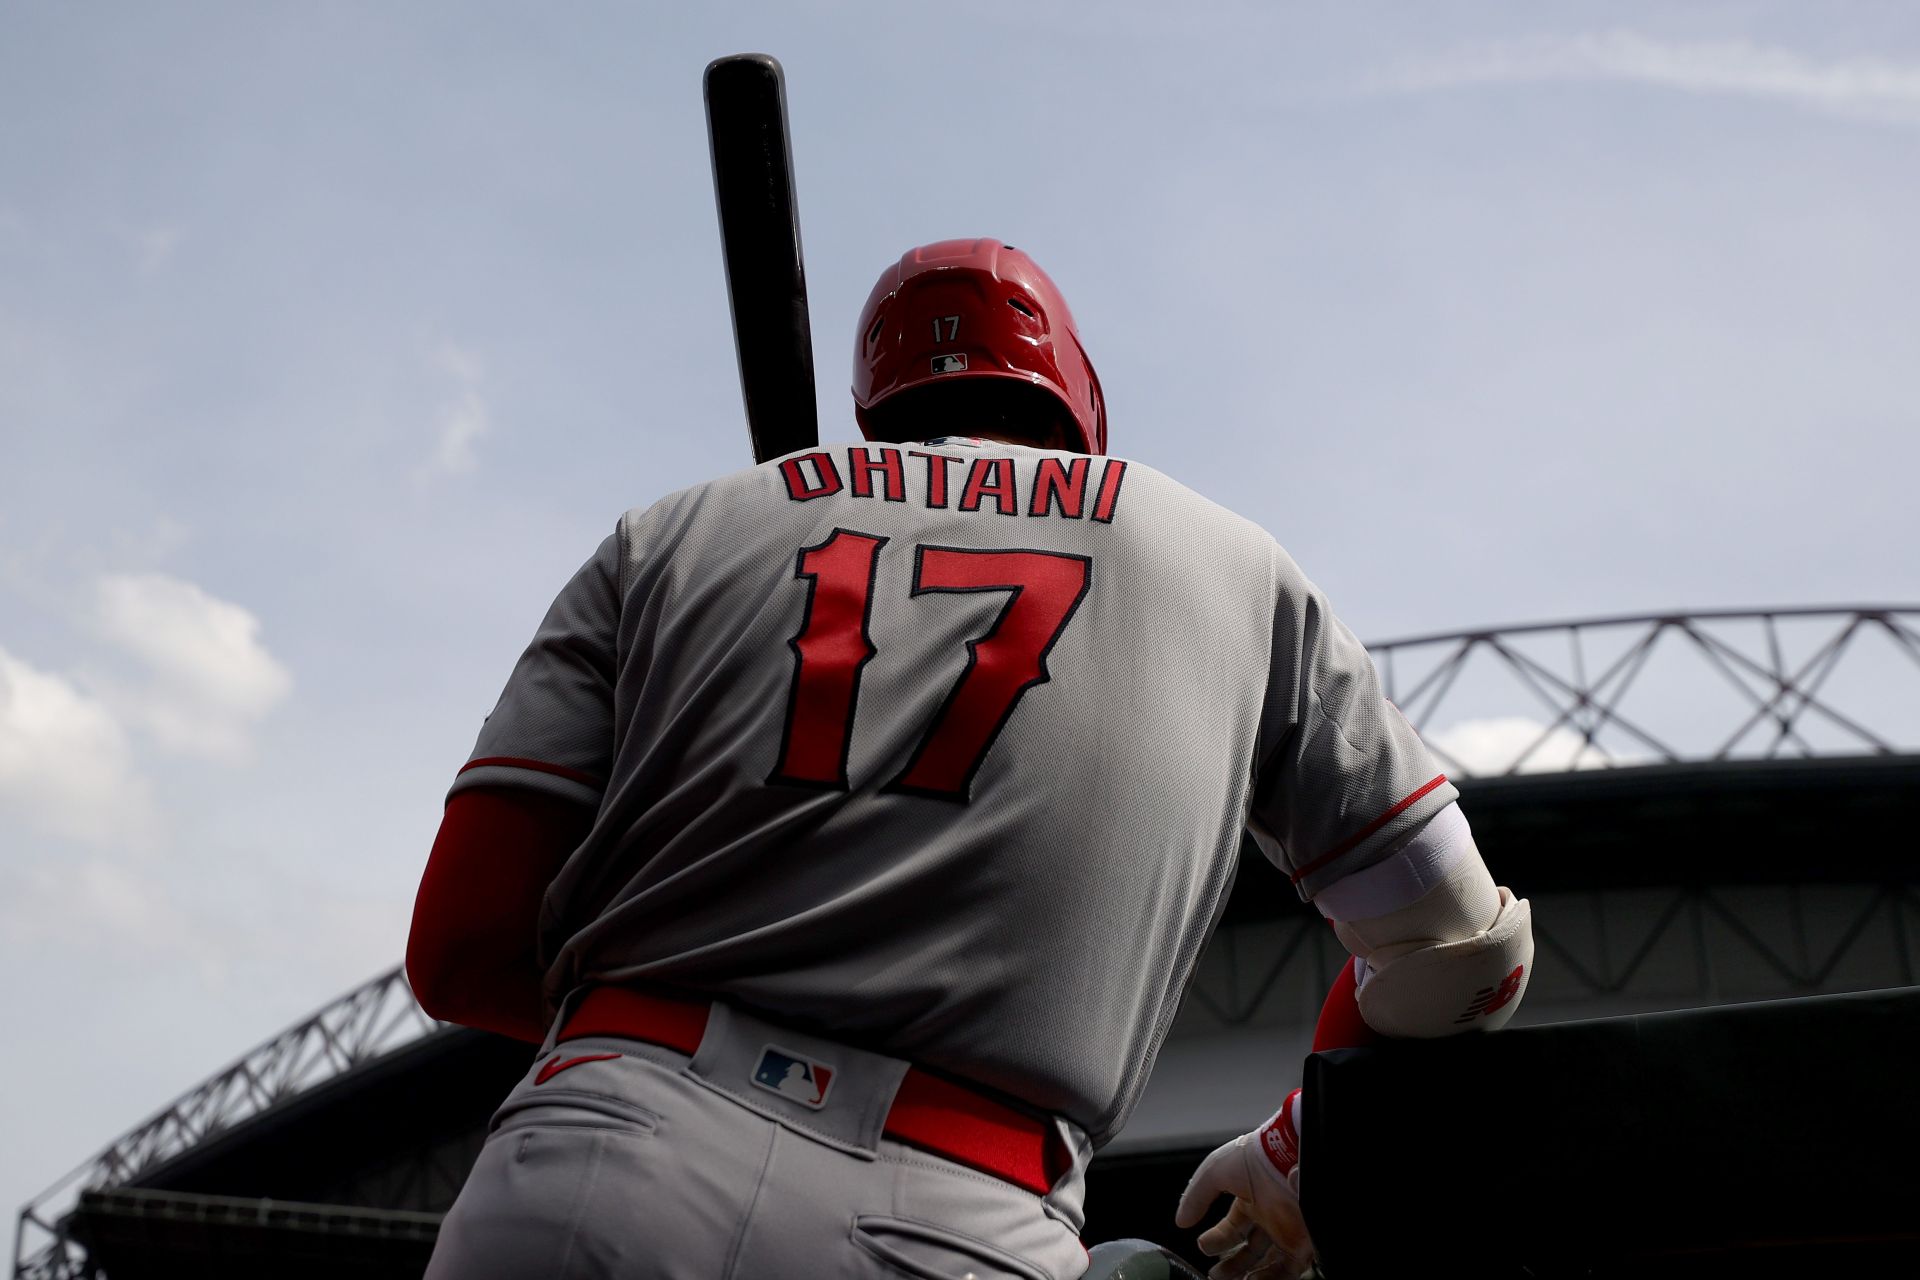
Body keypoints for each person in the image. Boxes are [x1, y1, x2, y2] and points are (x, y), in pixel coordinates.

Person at [405, 238, 1532, 1280]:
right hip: (957, 1208)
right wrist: (1296, 1154)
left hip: (602, 1152)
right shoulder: (1236, 566)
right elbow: (1461, 957)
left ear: (872, 403)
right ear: (1080, 402)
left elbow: (458, 947)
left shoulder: (672, 531)